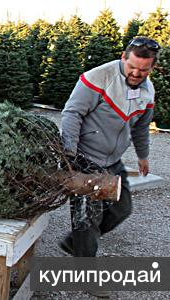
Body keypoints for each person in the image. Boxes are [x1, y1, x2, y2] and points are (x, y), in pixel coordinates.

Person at [60, 37, 160, 260]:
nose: (136, 73)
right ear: (123, 57)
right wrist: (70, 153)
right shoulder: (98, 77)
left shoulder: (147, 91)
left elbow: (142, 127)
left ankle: (75, 243)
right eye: (131, 66)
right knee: (87, 218)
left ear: (152, 67)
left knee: (122, 208)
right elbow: (72, 113)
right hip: (85, 158)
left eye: (143, 70)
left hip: (113, 160)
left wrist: (143, 156)